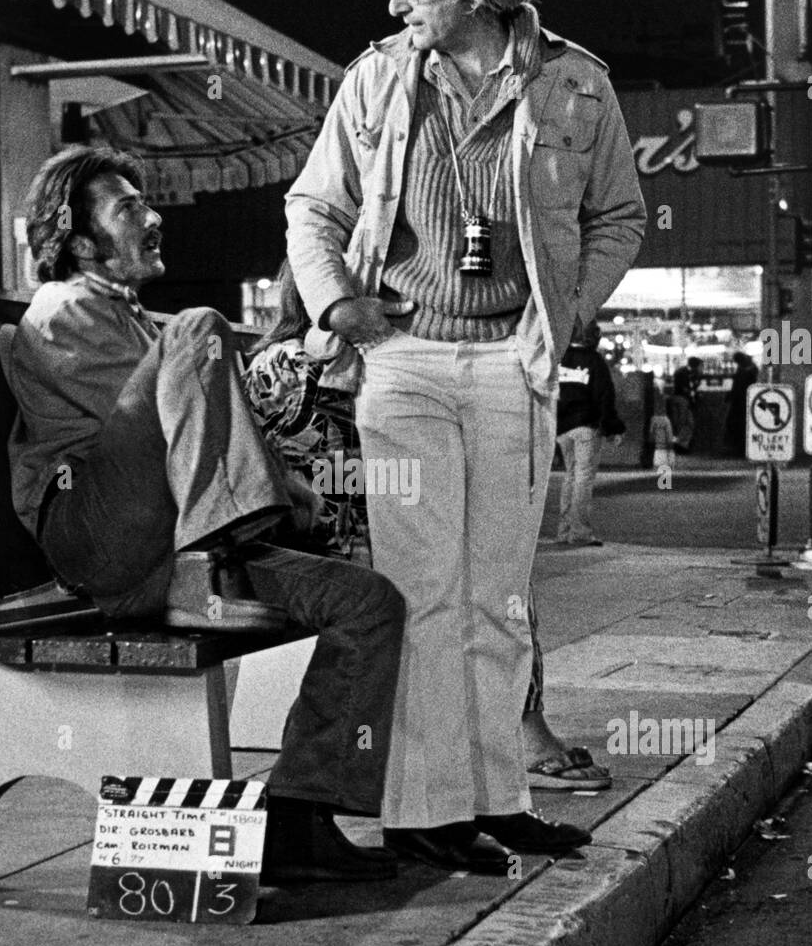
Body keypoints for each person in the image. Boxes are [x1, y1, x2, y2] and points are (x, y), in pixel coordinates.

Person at [286, 0, 645, 872]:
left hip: (511, 364)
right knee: (422, 589)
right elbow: (312, 207)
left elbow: (620, 214)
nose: (393, 3)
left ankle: (498, 796)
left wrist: (565, 314)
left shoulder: (575, 84)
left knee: (498, 598)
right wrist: (335, 304)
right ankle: (423, 808)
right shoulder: (375, 81)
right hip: (401, 363)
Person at [6, 145, 407, 887]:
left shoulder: (131, 318)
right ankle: (213, 560)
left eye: (146, 204)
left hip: (179, 548)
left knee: (369, 602)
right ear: (77, 238)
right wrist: (285, 496)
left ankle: (299, 812)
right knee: (198, 327)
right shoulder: (62, 310)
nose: (154, 219)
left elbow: (205, 436)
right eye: (127, 209)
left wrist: (295, 497)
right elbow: (166, 439)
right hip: (102, 541)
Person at [244, 263, 611, 792]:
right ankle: (522, 734)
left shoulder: (271, 363)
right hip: (348, 553)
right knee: (497, 563)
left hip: (310, 546)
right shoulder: (344, 359)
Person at [555, 319, 625, 546]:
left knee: (570, 476)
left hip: (563, 428)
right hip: (586, 426)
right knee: (583, 479)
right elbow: (604, 396)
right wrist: (613, 428)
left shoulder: (560, 358)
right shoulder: (594, 361)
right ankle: (580, 532)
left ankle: (564, 531)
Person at [724, 350, 758, 456]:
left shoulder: (744, 369)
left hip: (740, 402)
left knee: (736, 425)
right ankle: (741, 448)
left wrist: (730, 396)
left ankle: (738, 448)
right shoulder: (752, 368)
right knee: (742, 425)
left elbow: (737, 385)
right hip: (745, 401)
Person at [669, 355, 701, 451]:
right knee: (684, 422)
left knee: (686, 422)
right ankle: (681, 445)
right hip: (682, 399)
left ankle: (681, 444)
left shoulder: (683, 371)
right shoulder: (685, 373)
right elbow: (685, 388)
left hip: (680, 399)